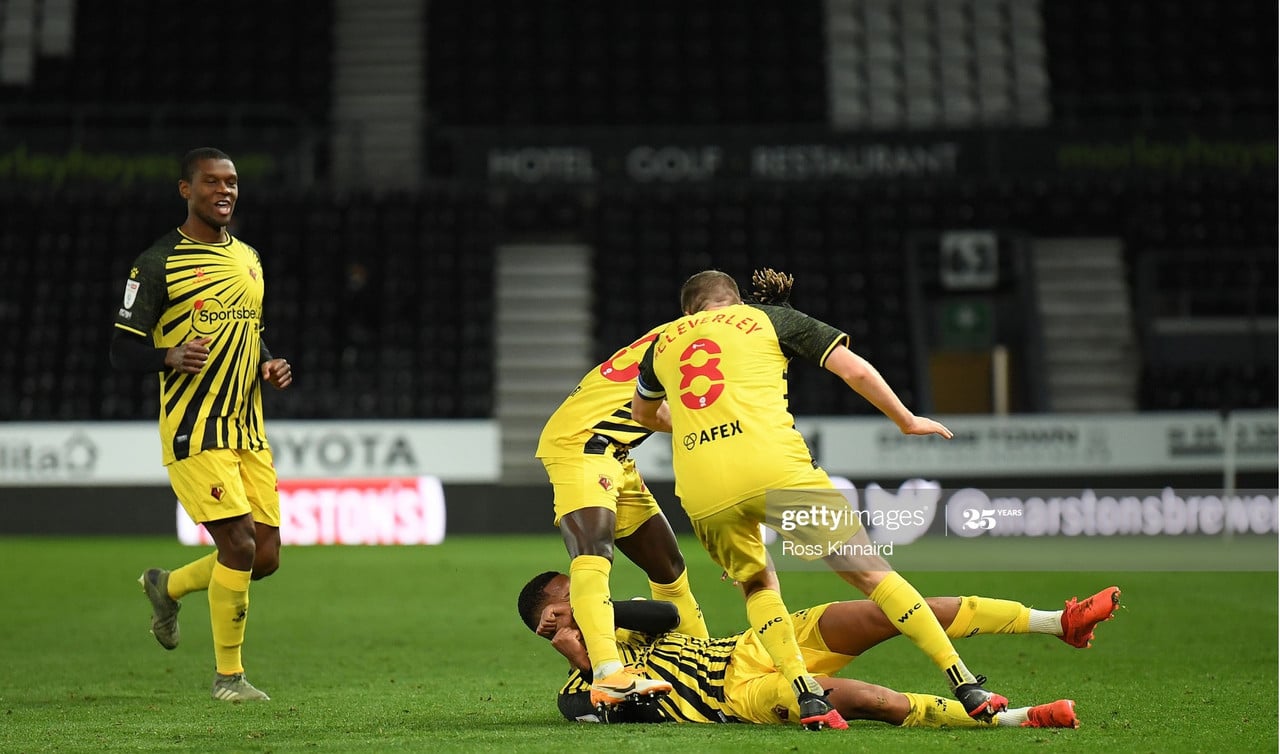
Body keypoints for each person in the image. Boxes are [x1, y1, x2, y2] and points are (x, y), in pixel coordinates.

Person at [629, 268, 1003, 729]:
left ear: (688, 312)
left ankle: (805, 693)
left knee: (759, 585)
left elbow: (642, 413)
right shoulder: (765, 318)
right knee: (870, 572)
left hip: (704, 488)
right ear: (734, 300)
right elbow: (854, 368)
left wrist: (690, 422)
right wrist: (906, 420)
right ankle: (964, 680)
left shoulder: (661, 342)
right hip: (776, 468)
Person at [110, 147, 292, 702]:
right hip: (195, 427)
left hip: (246, 428)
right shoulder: (157, 262)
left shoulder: (251, 258)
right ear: (186, 190)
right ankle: (229, 678)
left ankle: (167, 587)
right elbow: (122, 349)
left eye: (232, 182)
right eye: (212, 182)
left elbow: (248, 326)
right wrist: (168, 355)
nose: (225, 191)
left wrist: (267, 360)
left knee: (263, 557)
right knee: (236, 543)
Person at [518, 570, 1121, 729]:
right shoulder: (578, 693)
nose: (587, 601)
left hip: (757, 643)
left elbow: (670, 613)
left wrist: (597, 613)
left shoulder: (630, 630)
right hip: (746, 695)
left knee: (892, 611)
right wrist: (573, 640)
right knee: (870, 700)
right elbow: (606, 708)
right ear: (548, 625)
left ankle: (1056, 621)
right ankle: (1017, 718)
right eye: (571, 600)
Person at [536, 324, 710, 707]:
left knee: (669, 566)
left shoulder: (687, 338)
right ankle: (608, 673)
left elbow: (659, 414)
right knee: (593, 551)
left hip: (616, 452)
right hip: (580, 443)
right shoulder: (694, 341)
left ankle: (703, 661)